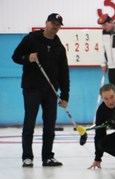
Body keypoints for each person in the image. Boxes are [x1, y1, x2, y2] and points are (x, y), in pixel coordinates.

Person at [12, 13, 70, 168]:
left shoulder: (59, 47)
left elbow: (64, 73)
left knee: (50, 124)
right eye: (53, 23)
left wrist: (65, 96)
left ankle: (47, 157)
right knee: (29, 122)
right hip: (32, 88)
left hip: (51, 91)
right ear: (46, 23)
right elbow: (15, 56)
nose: (55, 27)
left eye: (58, 25)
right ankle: (27, 157)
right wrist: (27, 58)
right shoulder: (31, 39)